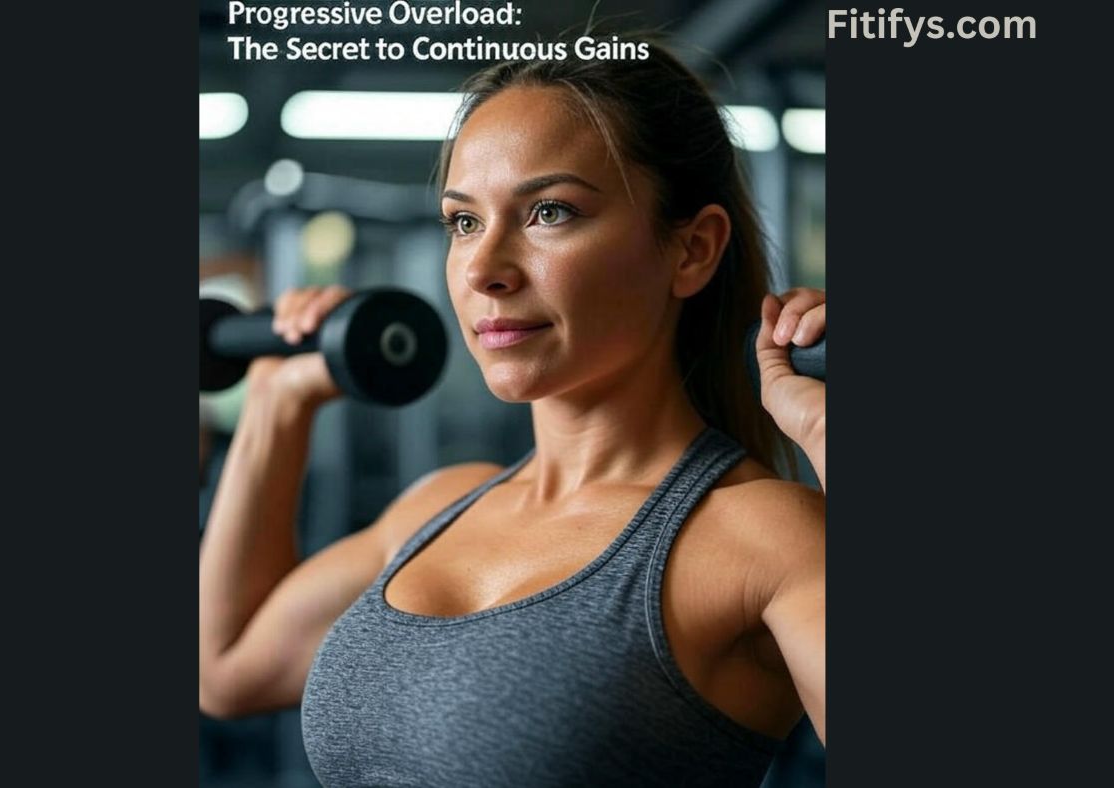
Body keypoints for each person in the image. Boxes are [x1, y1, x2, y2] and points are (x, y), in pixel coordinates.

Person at [199, 37, 826, 787]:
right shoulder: (439, 507)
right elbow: (224, 669)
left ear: (692, 250)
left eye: (549, 212)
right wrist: (276, 404)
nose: (483, 269)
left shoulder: (763, 536)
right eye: (463, 222)